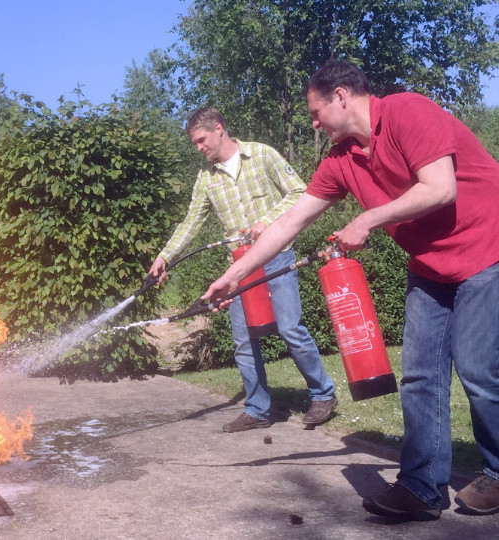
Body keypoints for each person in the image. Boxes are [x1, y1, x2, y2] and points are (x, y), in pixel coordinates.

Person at [201, 60, 499, 521]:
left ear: (341, 95)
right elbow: (288, 225)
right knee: (420, 376)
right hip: (432, 268)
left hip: (487, 249)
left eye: (317, 112)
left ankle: (497, 473)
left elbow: (440, 188)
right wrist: (235, 277)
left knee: (478, 370)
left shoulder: (408, 112)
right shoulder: (341, 161)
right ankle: (422, 487)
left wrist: (367, 219)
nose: (314, 123)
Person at [149, 107, 337, 432]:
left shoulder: (262, 155)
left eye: (201, 140)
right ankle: (257, 410)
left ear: (219, 129)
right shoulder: (206, 179)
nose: (198, 148)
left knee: (290, 328)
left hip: (277, 256)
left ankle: (323, 395)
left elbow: (300, 192)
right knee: (243, 341)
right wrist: (166, 255)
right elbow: (191, 221)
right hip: (237, 270)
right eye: (194, 143)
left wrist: (269, 219)